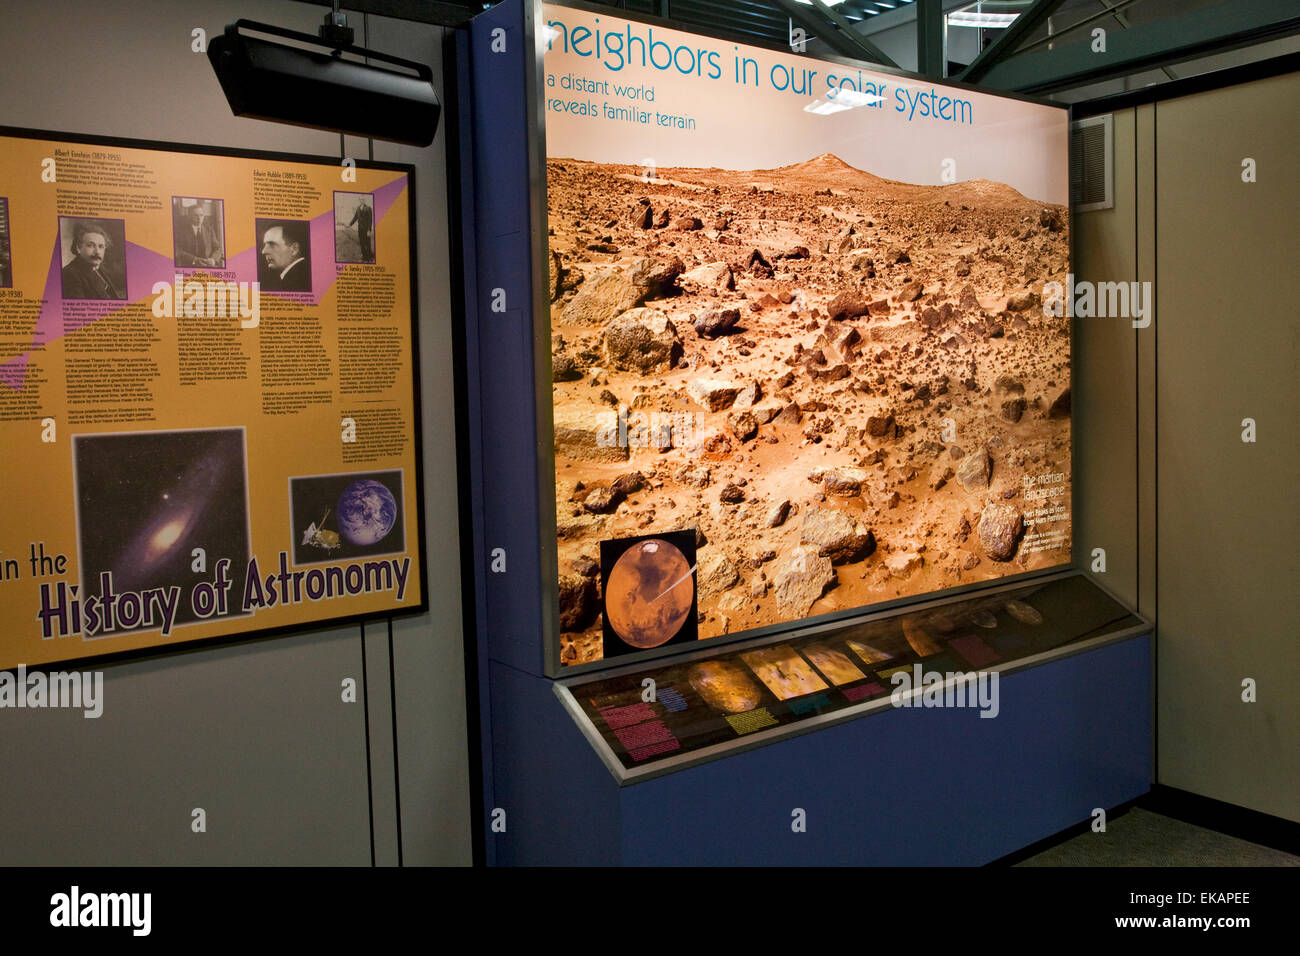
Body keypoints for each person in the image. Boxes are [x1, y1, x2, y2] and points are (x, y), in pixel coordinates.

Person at [61, 221, 123, 299]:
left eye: (101, 246)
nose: (97, 252)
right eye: (90, 246)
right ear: (78, 248)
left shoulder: (98, 269)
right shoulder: (70, 274)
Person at [260, 223, 310, 292]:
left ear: (294, 249)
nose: (263, 251)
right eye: (265, 245)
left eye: (271, 244)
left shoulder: (298, 282)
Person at [175, 201, 223, 268]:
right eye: (195, 215)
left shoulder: (209, 230)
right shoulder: (181, 231)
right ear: (189, 216)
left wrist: (213, 260)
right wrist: (194, 260)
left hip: (208, 265)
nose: (199, 218)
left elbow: (217, 248)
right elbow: (178, 250)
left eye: (201, 215)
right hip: (189, 266)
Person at [347, 198, 374, 262]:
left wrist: (369, 230)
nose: (362, 201)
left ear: (365, 200)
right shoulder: (358, 208)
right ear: (359, 200)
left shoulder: (368, 208)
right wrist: (350, 224)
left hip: (366, 229)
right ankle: (364, 257)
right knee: (362, 243)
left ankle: (370, 257)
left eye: (363, 199)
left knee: (367, 243)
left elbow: (370, 220)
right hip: (360, 229)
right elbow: (355, 217)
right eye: (361, 199)